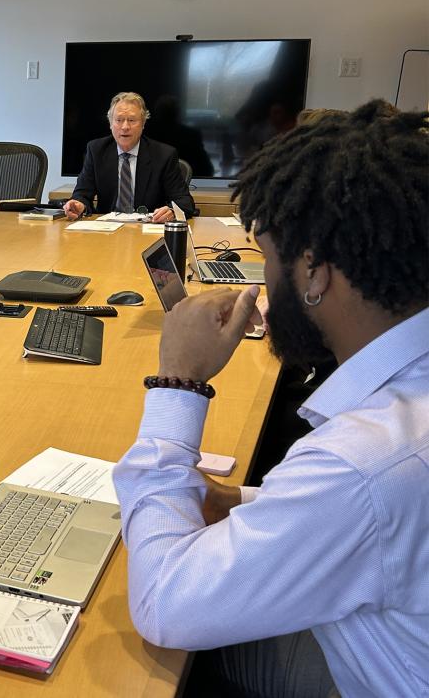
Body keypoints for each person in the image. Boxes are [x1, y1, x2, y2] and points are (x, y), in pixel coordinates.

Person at [112, 100, 428, 697]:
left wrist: (178, 382)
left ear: (313, 272)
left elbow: (163, 606)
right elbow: (376, 514)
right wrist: (247, 499)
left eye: (268, 258)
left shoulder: (362, 461)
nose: (262, 281)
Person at [63, 92, 195, 222]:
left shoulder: (164, 155)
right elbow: (82, 194)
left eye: (132, 120)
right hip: (107, 230)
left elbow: (185, 203)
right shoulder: (96, 150)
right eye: (119, 120)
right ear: (110, 123)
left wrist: (171, 211)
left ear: (143, 124)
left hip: (147, 228)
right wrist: (79, 204)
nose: (125, 127)